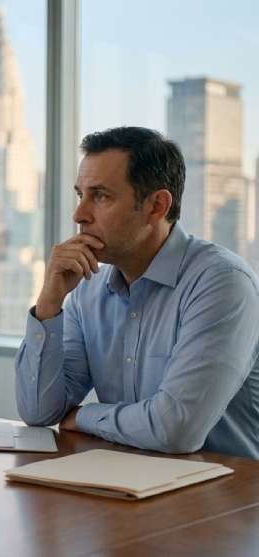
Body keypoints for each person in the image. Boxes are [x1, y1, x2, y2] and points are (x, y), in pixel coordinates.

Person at [15, 126, 259, 458]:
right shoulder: (88, 289)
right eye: (80, 194)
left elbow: (176, 430)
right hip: (126, 484)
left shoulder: (222, 283)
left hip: (222, 496)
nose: (79, 215)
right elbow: (38, 412)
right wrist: (49, 302)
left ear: (156, 206)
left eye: (100, 196)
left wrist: (83, 416)